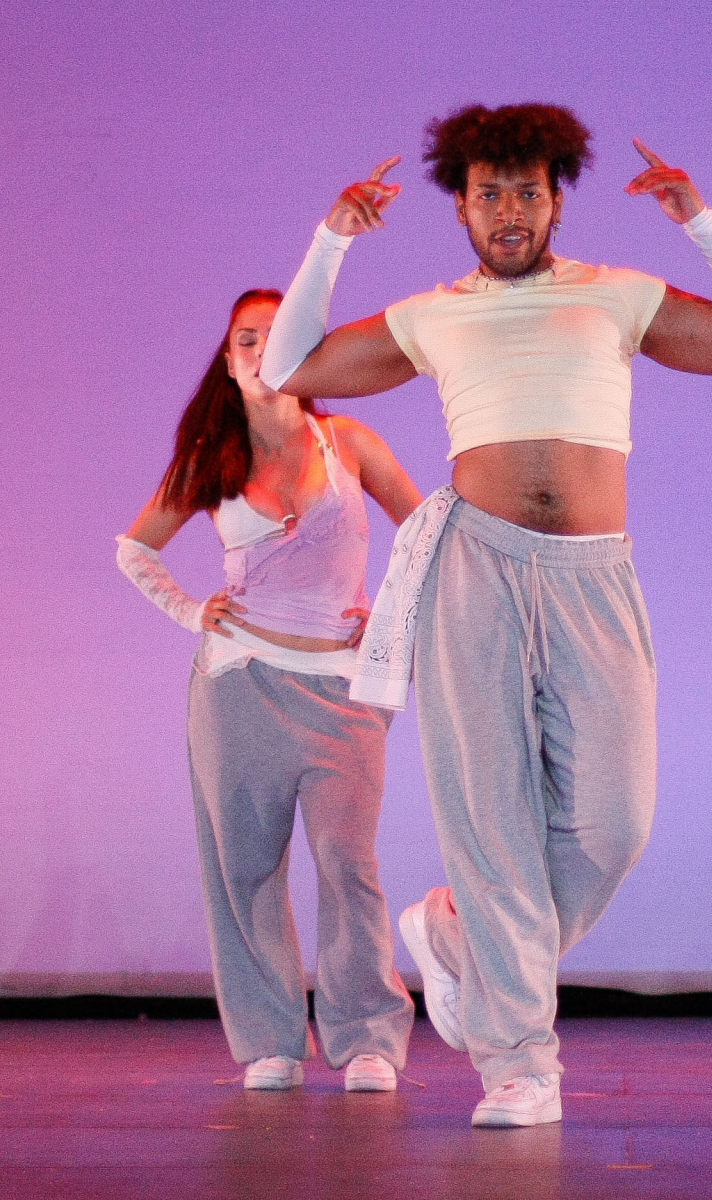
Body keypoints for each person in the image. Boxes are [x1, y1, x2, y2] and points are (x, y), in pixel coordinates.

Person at [259, 104, 712, 1126]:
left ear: (556, 201)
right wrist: (330, 239)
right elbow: (288, 369)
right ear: (460, 208)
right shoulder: (435, 313)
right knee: (492, 820)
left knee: (614, 822)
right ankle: (519, 1065)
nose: (508, 211)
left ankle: (460, 940)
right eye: (488, 194)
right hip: (477, 570)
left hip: (594, 576)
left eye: (527, 192)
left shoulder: (617, 294)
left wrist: (701, 222)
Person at [117, 288, 424, 1091]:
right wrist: (191, 610)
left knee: (348, 863)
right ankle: (270, 1041)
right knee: (245, 870)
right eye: (245, 340)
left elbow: (427, 532)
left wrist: (390, 620)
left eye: (276, 336)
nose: (260, 352)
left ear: (305, 349)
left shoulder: (348, 441)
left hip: (341, 689)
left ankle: (367, 1038)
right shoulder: (210, 458)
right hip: (239, 685)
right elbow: (135, 549)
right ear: (228, 360)